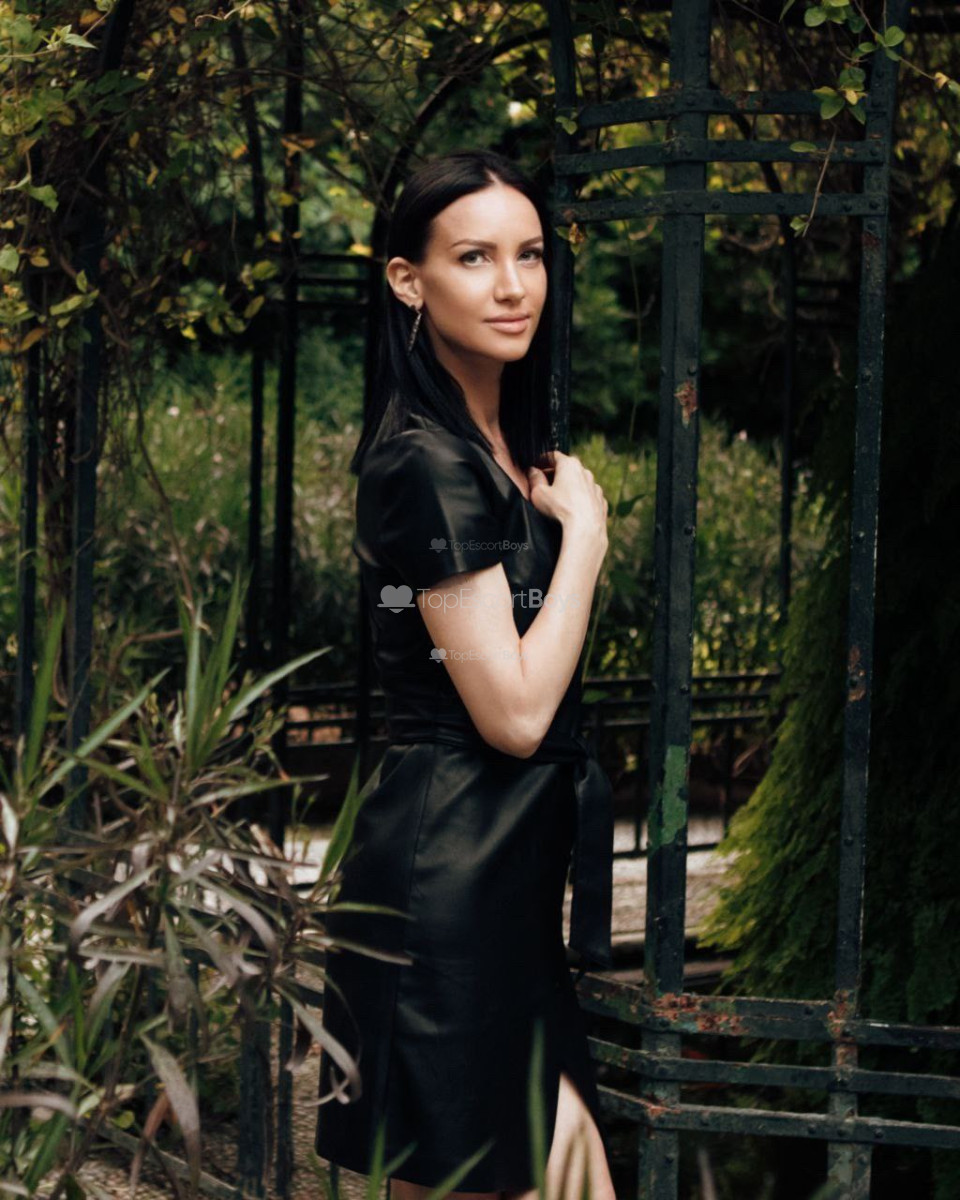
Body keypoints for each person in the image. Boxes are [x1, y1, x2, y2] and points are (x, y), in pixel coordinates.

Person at [314, 148, 616, 1200]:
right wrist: (587, 539)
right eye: (475, 257)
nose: (512, 285)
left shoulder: (494, 450)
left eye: (529, 255)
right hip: (444, 897)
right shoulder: (428, 462)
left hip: (504, 894)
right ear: (410, 280)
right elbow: (516, 713)